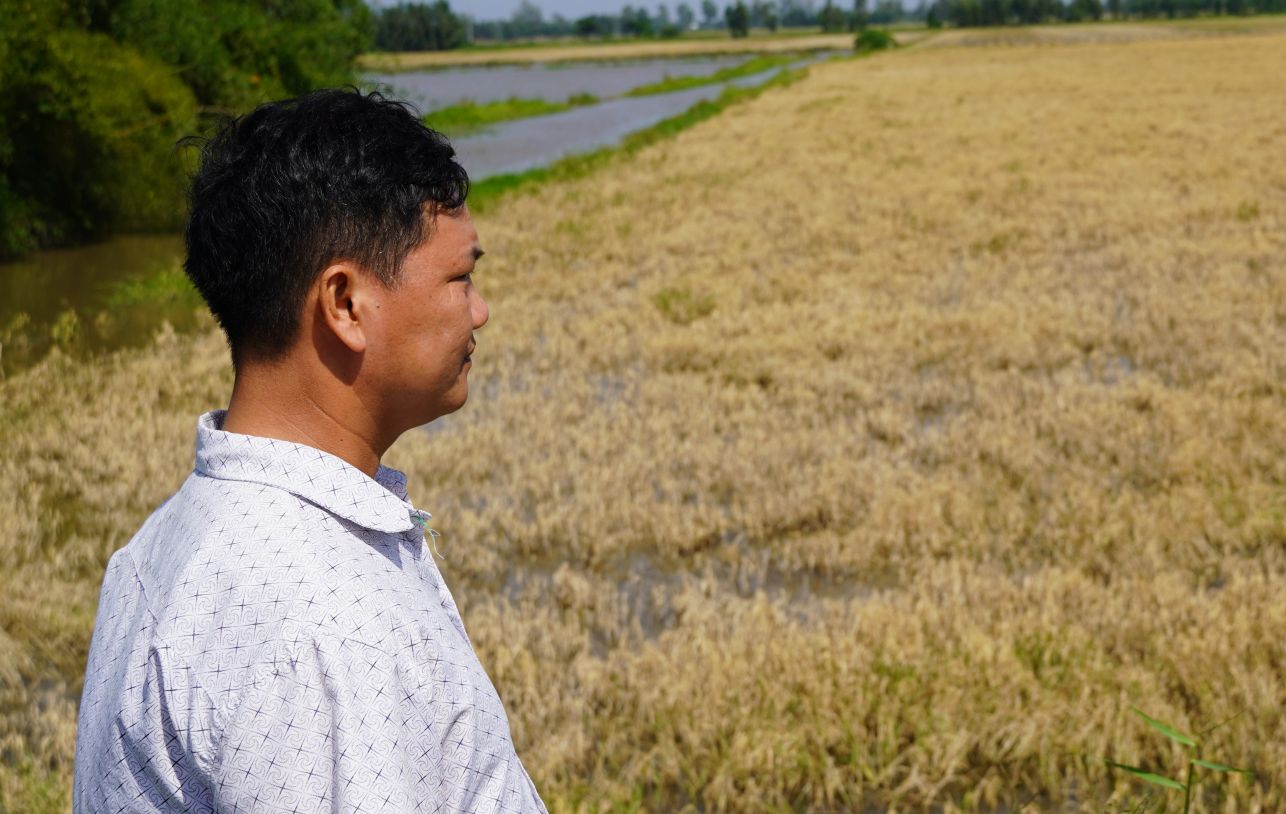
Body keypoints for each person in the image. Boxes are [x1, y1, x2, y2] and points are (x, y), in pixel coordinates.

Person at [72, 89, 547, 813]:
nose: (478, 311)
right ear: (345, 304)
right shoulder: (325, 628)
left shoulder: (161, 548)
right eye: (460, 278)